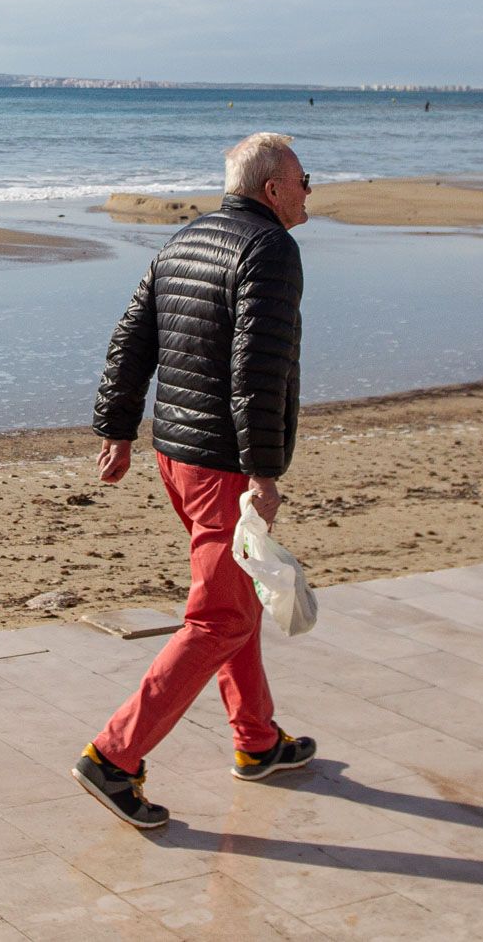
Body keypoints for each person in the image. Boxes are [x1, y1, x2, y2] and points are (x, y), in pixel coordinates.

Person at [75, 131, 318, 829]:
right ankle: (114, 758)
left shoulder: (185, 240)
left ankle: (257, 740)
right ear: (272, 189)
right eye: (305, 180)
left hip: (175, 456)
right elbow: (257, 371)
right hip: (220, 463)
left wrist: (118, 431)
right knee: (220, 616)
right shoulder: (271, 249)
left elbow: (132, 338)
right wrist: (264, 473)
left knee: (235, 596)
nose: (310, 193)